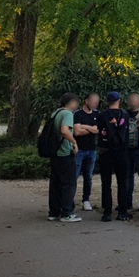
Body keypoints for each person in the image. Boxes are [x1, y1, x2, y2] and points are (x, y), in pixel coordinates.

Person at [96, 91, 132, 222]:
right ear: (119, 101)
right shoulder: (125, 115)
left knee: (106, 183)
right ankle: (122, 211)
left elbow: (98, 130)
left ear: (107, 102)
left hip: (105, 150)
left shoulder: (102, 116)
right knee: (122, 182)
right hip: (121, 151)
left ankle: (107, 212)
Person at [48, 93, 82, 223]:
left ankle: (54, 212)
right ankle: (67, 213)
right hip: (64, 153)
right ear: (71, 102)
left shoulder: (56, 113)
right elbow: (64, 131)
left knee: (55, 183)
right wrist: (74, 142)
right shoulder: (67, 114)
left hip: (55, 153)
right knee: (68, 183)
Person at [72, 92, 100, 212]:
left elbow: (98, 130)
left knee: (88, 176)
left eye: (97, 101)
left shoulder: (97, 114)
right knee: (74, 175)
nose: (95, 103)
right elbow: (77, 131)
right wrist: (91, 128)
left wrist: (84, 126)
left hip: (91, 149)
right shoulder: (77, 114)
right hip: (79, 149)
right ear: (86, 101)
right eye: (93, 101)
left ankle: (86, 200)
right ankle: (70, 200)